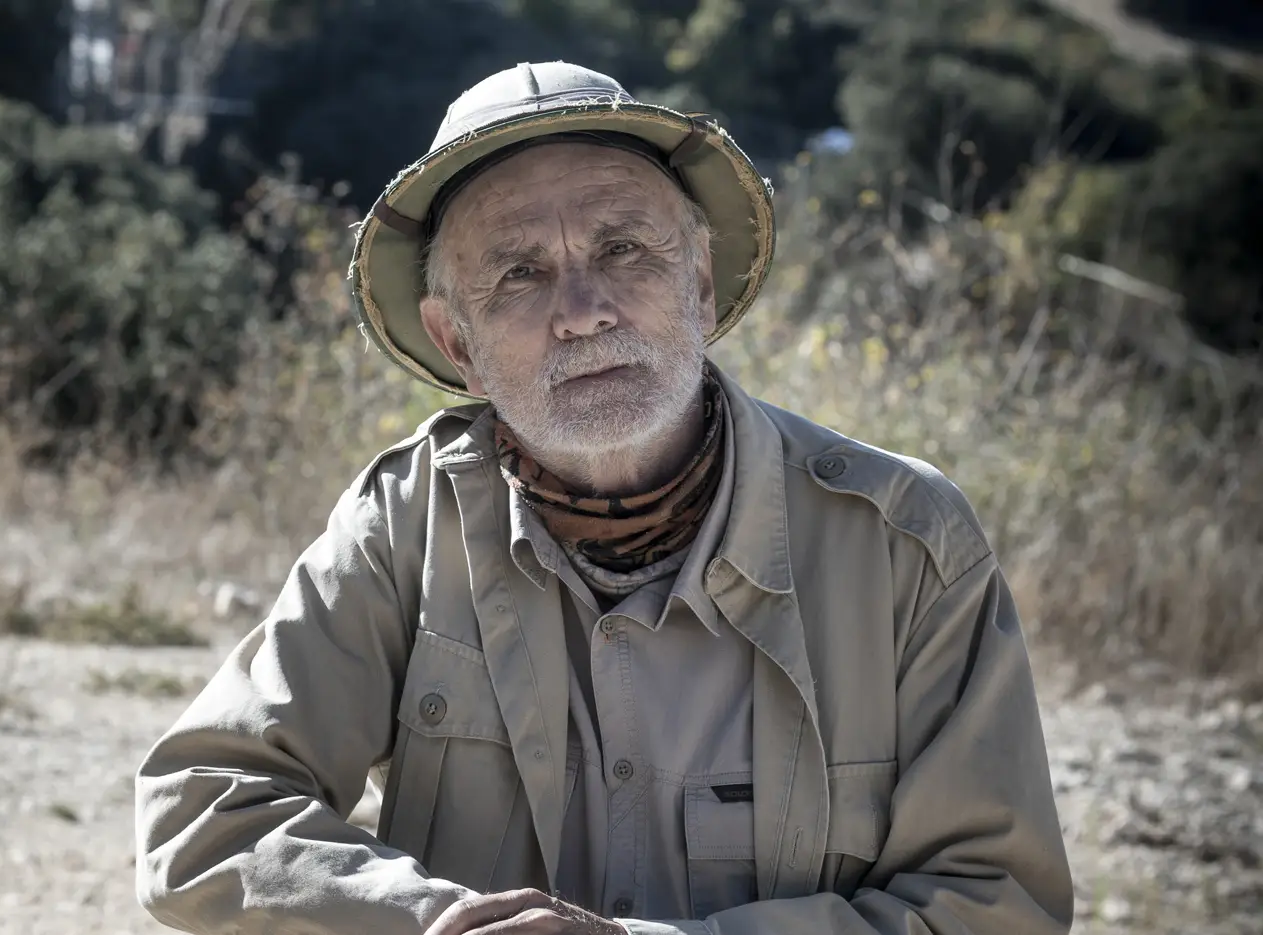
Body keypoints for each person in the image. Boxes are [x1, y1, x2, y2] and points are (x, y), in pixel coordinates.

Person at [133, 61, 1074, 935]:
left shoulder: (904, 541)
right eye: (519, 273)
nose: (582, 308)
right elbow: (203, 807)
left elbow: (994, 900)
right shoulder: (408, 522)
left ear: (698, 282)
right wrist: (433, 924)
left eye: (623, 249)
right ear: (456, 342)